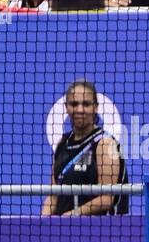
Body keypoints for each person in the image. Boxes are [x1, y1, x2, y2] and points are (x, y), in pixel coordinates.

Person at [43, 80, 127, 216]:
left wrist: (71, 215)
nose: (80, 110)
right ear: (66, 107)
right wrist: (42, 222)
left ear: (96, 107)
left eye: (86, 104)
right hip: (60, 231)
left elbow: (106, 198)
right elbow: (53, 196)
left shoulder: (105, 144)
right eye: (74, 104)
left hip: (98, 230)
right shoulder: (62, 144)